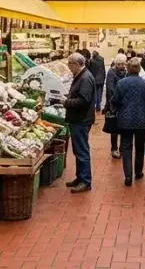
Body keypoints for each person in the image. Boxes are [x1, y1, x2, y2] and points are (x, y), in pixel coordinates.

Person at [112, 59, 145, 186]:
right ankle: (139, 171)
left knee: (126, 147)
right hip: (142, 120)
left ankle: (128, 176)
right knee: (140, 147)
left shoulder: (121, 83)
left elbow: (115, 101)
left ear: (128, 69)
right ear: (139, 69)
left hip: (125, 120)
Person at [63, 53, 96, 193]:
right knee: (78, 150)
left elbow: (84, 101)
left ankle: (85, 181)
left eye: (69, 64)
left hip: (81, 119)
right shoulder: (82, 76)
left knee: (82, 151)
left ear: (76, 64)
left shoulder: (85, 78)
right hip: (78, 119)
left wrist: (66, 102)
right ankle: (80, 177)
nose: (68, 67)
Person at [105, 54, 128, 158]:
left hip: (124, 104)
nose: (121, 66)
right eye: (119, 64)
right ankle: (114, 148)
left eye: (123, 64)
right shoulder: (111, 72)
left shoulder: (127, 72)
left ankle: (122, 148)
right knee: (113, 127)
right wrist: (115, 100)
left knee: (123, 126)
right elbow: (110, 88)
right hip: (113, 103)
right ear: (115, 64)